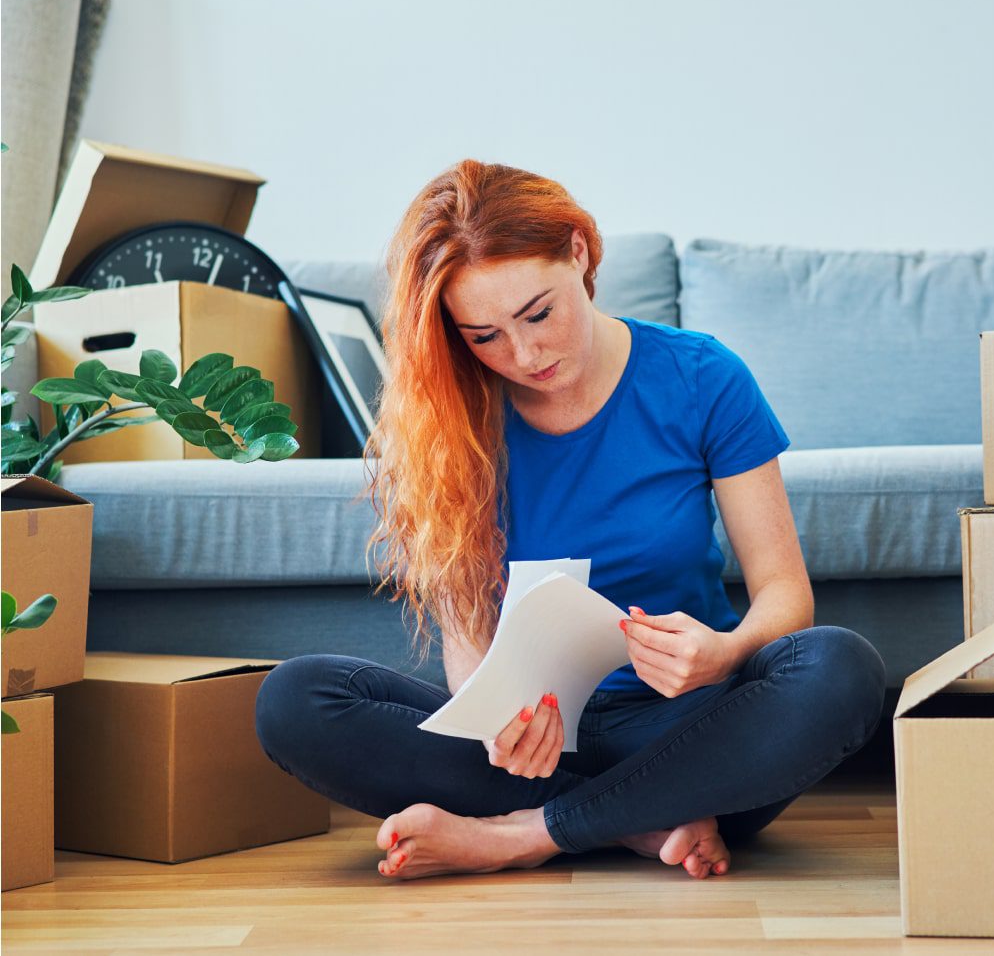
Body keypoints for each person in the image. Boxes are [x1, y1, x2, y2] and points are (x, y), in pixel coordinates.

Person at [254, 160, 887, 883]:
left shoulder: (702, 377)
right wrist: (498, 721)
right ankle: (640, 823)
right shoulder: (455, 417)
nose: (524, 356)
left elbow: (784, 592)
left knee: (840, 667)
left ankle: (522, 835)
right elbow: (467, 635)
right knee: (294, 700)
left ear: (579, 254)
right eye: (484, 336)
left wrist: (724, 649)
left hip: (690, 728)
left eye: (537, 314)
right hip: (539, 751)